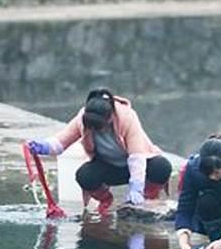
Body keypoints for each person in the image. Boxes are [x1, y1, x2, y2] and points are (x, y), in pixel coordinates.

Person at [26, 88, 172, 214]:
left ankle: (148, 197)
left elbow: (136, 157)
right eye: (92, 126)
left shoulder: (127, 117)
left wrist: (137, 189)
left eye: (99, 126)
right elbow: (60, 142)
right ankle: (106, 199)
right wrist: (42, 146)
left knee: (161, 167)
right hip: (108, 166)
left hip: (136, 165)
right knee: (85, 176)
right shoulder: (83, 118)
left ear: (110, 117)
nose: (96, 130)